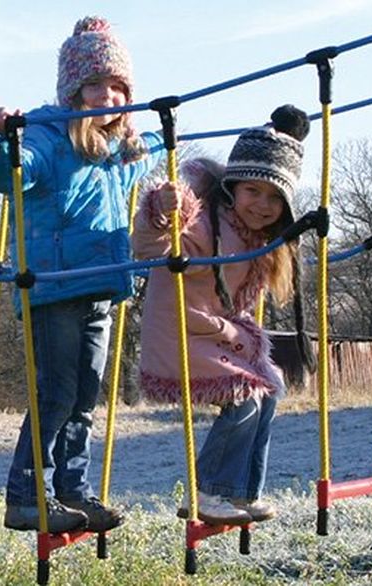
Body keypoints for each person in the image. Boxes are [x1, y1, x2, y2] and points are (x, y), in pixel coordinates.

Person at [0, 16, 165, 533]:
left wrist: (167, 133)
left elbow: (152, 152)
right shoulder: (47, 136)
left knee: (84, 398)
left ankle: (72, 492)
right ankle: (27, 495)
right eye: (97, 86)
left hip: (102, 286)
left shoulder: (118, 151)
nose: (108, 96)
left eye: (118, 87)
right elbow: (4, 172)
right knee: (56, 393)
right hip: (55, 289)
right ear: (74, 92)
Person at [132, 105, 315, 525]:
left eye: (274, 198)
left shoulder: (256, 237)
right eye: (254, 192)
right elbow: (149, 246)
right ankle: (210, 491)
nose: (263, 205)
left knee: (271, 390)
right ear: (233, 187)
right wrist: (162, 209)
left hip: (213, 333)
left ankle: (241, 493)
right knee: (245, 398)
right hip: (180, 330)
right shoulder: (203, 221)